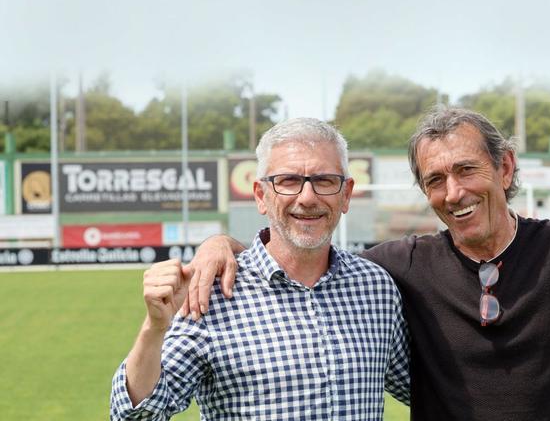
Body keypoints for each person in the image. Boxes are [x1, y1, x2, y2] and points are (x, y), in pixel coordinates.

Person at [186, 107, 550, 420]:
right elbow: (302, 248)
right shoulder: (398, 267)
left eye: (467, 170)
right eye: (434, 180)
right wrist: (221, 246)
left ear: (505, 169)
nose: (454, 192)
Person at [110, 118, 410, 420]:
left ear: (345, 195)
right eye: (288, 181)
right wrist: (154, 328)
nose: (307, 197)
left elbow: (428, 388)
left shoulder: (375, 288)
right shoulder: (211, 291)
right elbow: (134, 416)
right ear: (260, 196)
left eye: (324, 181)